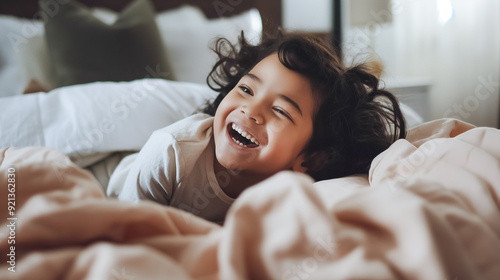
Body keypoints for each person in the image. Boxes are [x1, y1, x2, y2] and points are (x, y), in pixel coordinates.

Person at [107, 31, 406, 223]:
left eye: (280, 110)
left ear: (311, 158)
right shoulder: (170, 152)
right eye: (247, 90)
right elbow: (128, 232)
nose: (252, 110)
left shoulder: (299, 191)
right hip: (123, 182)